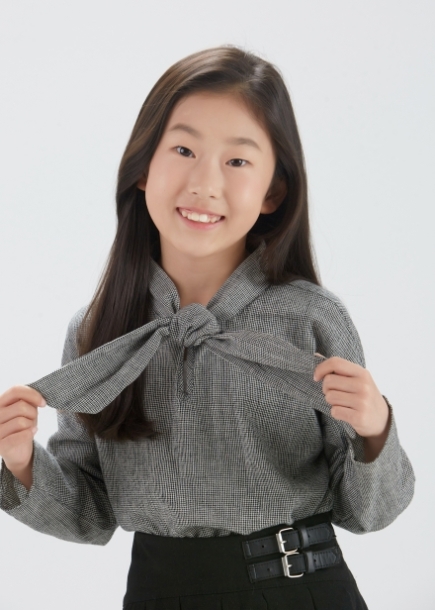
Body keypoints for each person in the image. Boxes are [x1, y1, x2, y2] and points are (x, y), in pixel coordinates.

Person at [0, 45, 414, 609]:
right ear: (142, 169)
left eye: (237, 161)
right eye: (183, 150)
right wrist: (22, 462)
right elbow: (90, 513)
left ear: (274, 191)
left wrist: (374, 428)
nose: (204, 182)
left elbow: (370, 513)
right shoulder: (97, 332)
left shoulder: (310, 317)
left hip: (300, 591)